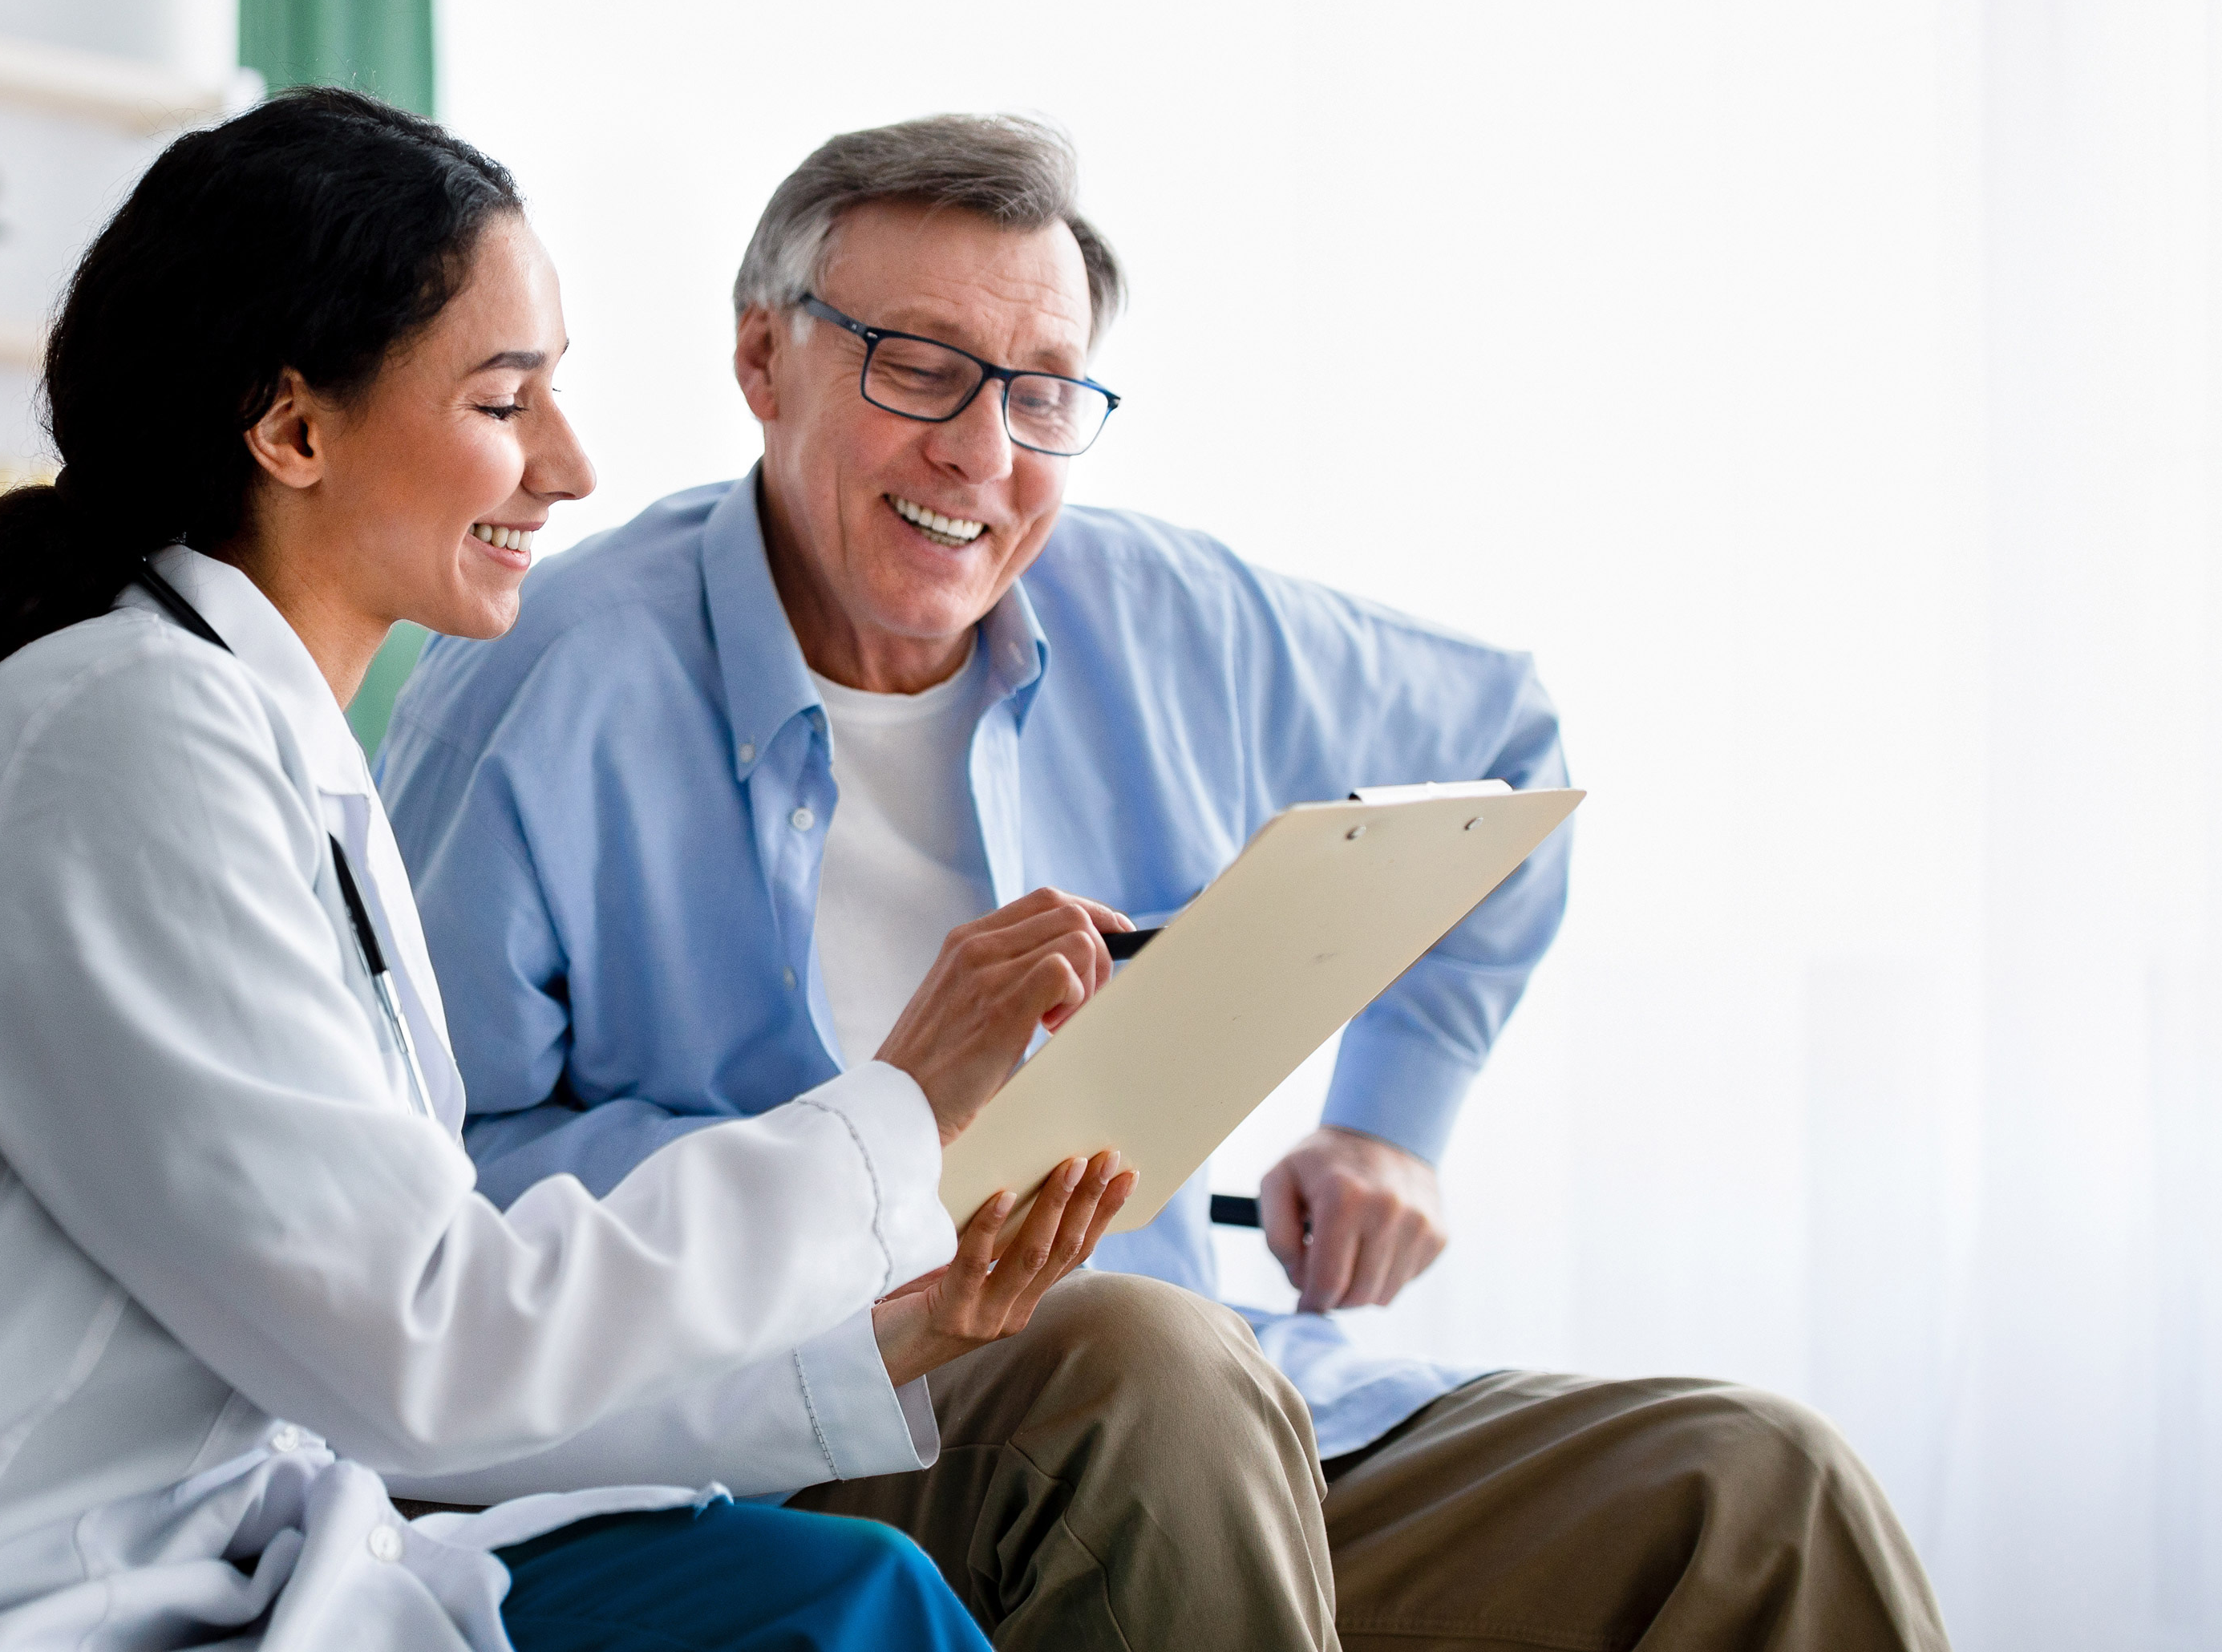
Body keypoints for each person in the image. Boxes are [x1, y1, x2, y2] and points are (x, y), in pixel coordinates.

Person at [0, 91, 1148, 1652]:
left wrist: (875, 1347)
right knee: (837, 1616)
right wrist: (895, 1110)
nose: (573, 463)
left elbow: (393, 1395)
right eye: (502, 400)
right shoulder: (120, 736)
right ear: (295, 424)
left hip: (195, 1564)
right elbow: (428, 1345)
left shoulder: (275, 752)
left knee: (848, 1597)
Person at [381, 114, 1951, 1650]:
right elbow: (437, 1201)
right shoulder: (543, 686)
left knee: (1756, 1490)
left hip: (1216, 1416)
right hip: (808, 1412)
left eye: (1043, 393)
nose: (983, 453)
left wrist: (1391, 1118)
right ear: (762, 360)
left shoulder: (1168, 613)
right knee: (1146, 1363)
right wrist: (866, 1165)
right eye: (919, 367)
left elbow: (1504, 748)